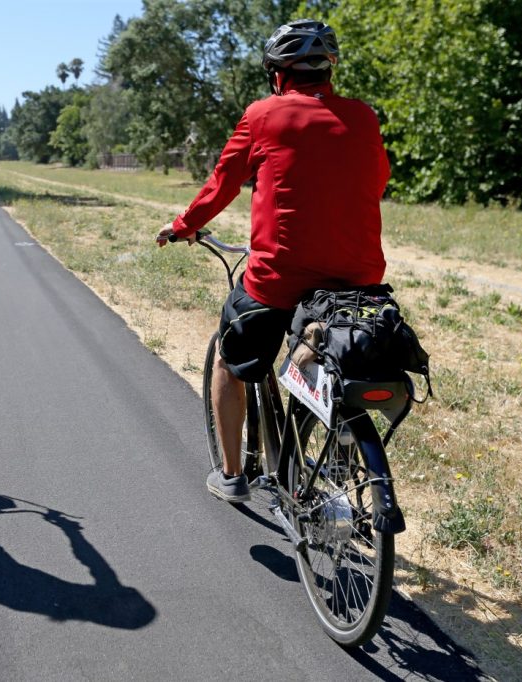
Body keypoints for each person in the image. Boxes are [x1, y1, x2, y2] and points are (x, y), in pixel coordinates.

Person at [157, 20, 390, 502]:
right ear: (328, 70)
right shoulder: (364, 117)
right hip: (359, 278)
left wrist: (182, 225)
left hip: (279, 277)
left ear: (279, 73)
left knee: (228, 356)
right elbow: (375, 181)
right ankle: (337, 424)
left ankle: (230, 475)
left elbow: (222, 184)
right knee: (324, 340)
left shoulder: (264, 115)